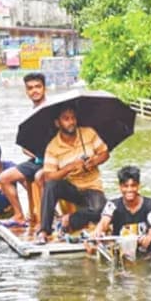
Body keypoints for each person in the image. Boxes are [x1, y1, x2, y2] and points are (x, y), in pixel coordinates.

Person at [33, 104, 109, 242]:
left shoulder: (88, 133)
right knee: (51, 185)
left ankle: (69, 219)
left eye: (73, 118)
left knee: (103, 211)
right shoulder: (53, 146)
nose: (71, 122)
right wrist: (69, 167)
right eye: (66, 119)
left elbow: (105, 154)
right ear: (58, 123)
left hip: (92, 186)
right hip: (71, 187)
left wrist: (94, 162)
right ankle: (44, 230)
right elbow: (49, 176)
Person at [0, 72, 48, 227]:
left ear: (44, 88)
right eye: (30, 88)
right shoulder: (30, 114)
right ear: (26, 91)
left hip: (54, 160)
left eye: (38, 87)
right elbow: (25, 147)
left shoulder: (52, 110)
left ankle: (46, 218)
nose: (35, 91)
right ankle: (19, 215)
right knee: (5, 177)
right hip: (37, 160)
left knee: (40, 176)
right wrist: (33, 153)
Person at [89, 166, 151, 257]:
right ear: (120, 187)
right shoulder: (112, 205)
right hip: (120, 250)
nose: (129, 190)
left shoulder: (149, 204)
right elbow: (104, 222)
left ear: (138, 186)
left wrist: (149, 237)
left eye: (133, 186)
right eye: (125, 186)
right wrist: (98, 231)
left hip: (144, 248)